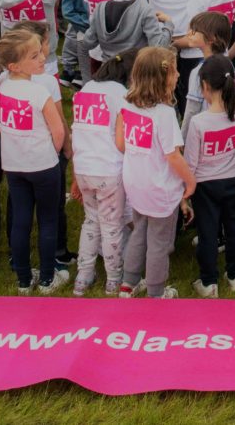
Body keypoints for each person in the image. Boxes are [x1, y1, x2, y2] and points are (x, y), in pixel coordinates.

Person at [116, 47, 196, 299]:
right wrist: (190, 181)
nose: (178, 75)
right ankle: (156, 292)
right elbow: (173, 156)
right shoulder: (165, 115)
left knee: (139, 231)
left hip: (135, 182)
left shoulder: (126, 103)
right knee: (159, 243)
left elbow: (121, 144)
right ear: (162, 78)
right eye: (174, 71)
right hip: (160, 188)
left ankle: (128, 283)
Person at [0, 29, 66, 294]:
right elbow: (58, 131)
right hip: (43, 165)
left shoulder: (2, 88)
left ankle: (23, 279)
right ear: (14, 65)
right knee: (47, 220)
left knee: (21, 220)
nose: (42, 59)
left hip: (14, 165)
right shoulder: (39, 92)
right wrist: (51, 154)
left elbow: (0, 125)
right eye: (34, 56)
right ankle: (47, 278)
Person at [69, 51, 136, 297]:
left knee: (91, 221)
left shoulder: (85, 90)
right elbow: (122, 140)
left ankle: (83, 276)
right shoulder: (122, 96)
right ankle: (114, 279)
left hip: (83, 167)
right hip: (108, 169)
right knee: (111, 227)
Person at [184, 55, 235, 299]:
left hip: (205, 184)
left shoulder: (199, 122)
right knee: (234, 229)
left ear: (205, 87)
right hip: (234, 179)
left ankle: (209, 282)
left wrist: (186, 191)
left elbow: (190, 161)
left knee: (208, 233)